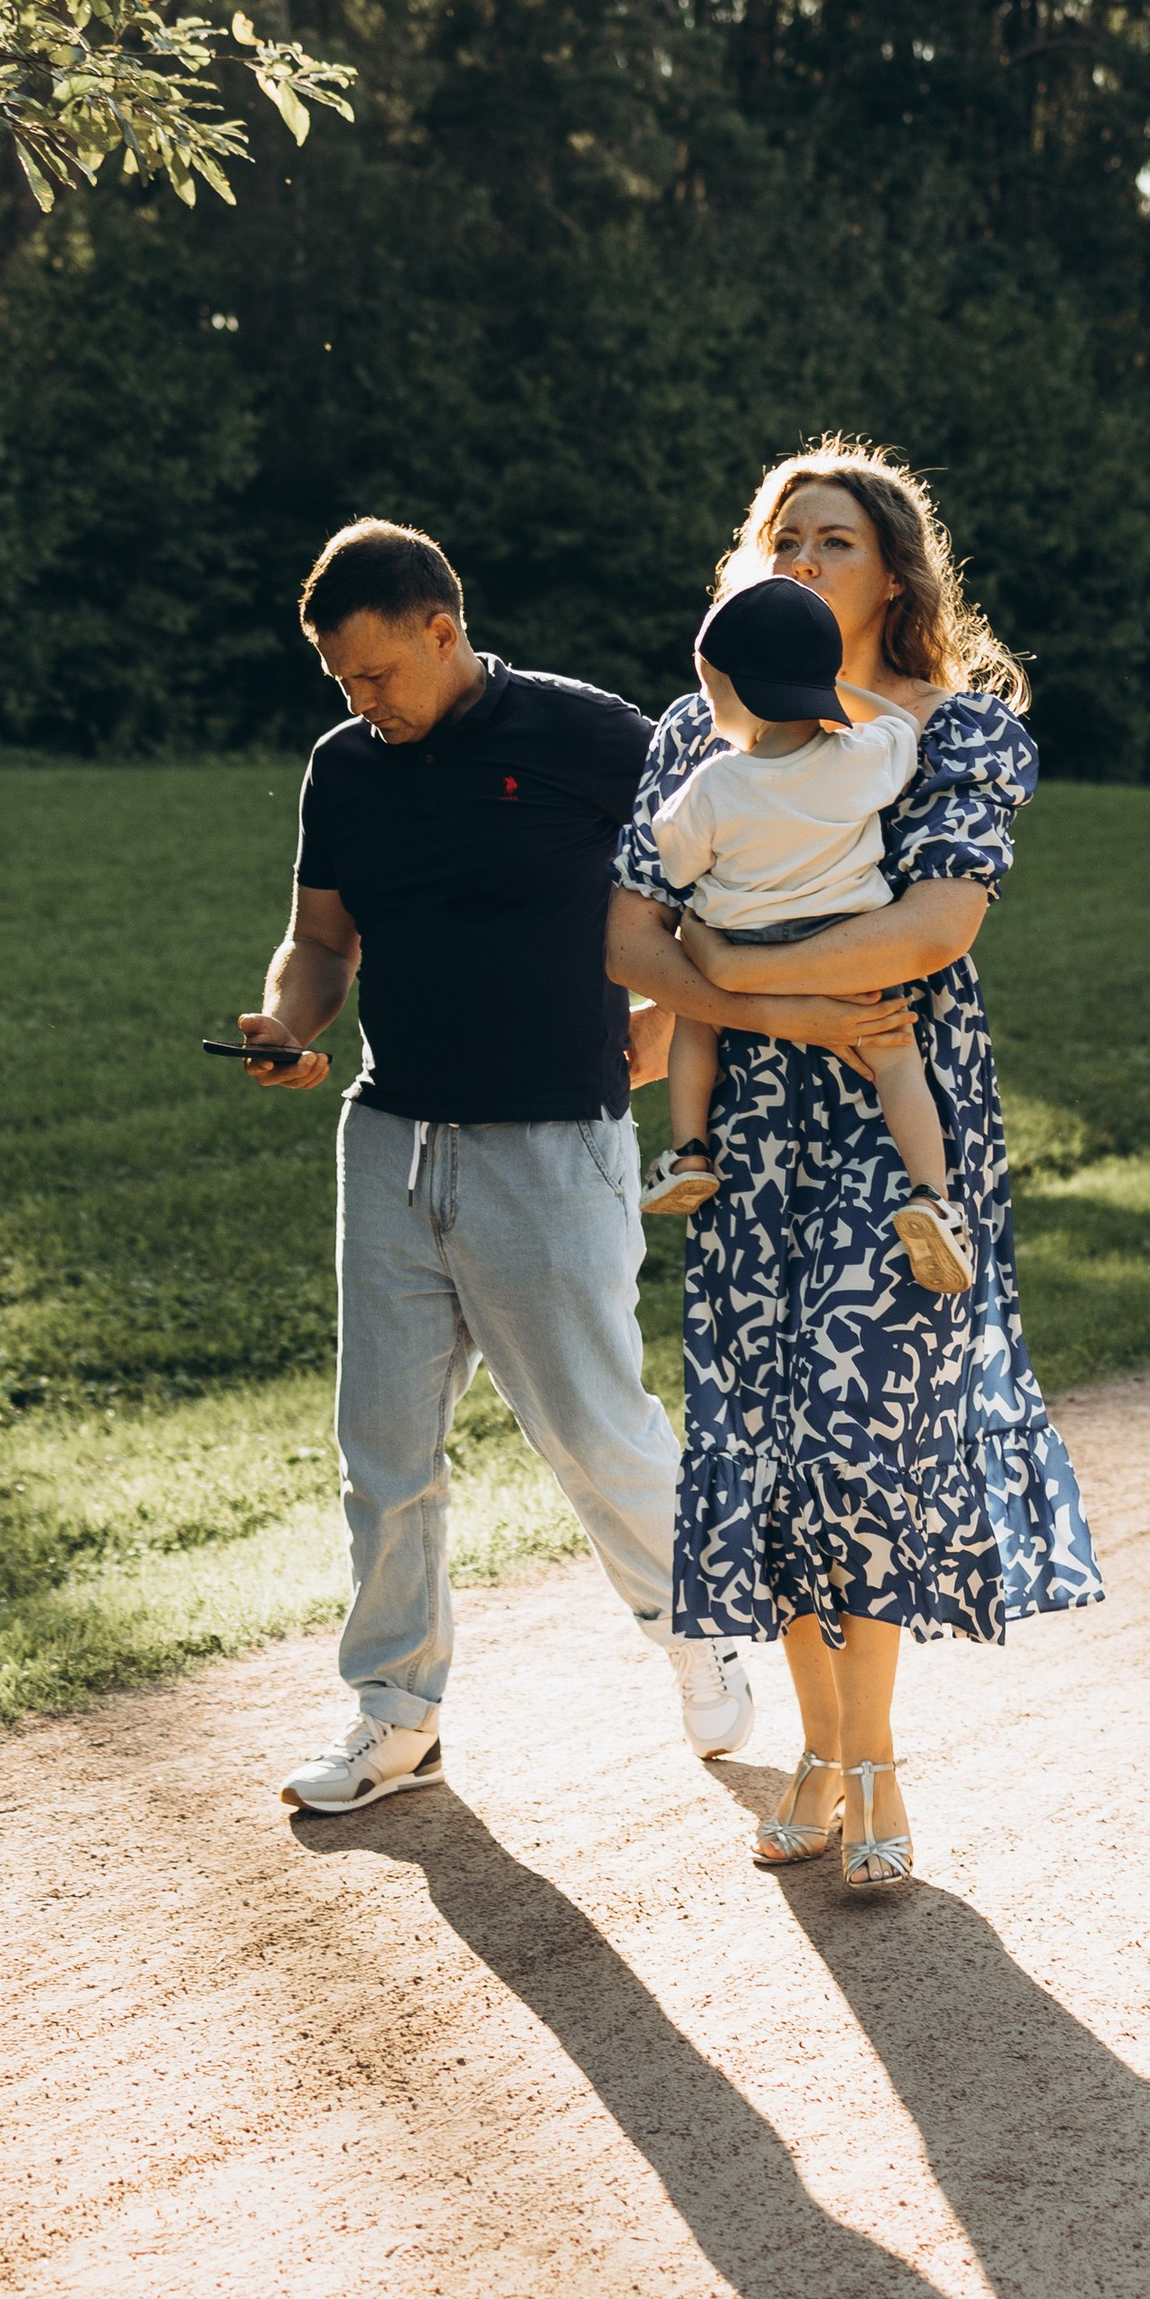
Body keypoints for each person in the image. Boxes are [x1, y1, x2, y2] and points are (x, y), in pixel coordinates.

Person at [608, 444, 1103, 1897]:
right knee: (772, 1441)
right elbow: (629, 935)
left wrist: (737, 975)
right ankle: (822, 1756)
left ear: (894, 574)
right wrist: (780, 1010)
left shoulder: (955, 731)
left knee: (862, 1431)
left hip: (901, 1117)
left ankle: (871, 1761)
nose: (805, 561)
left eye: (833, 540)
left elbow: (936, 926)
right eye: (784, 540)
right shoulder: (697, 731)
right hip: (750, 1122)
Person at [235, 515, 768, 1812]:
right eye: (340, 683)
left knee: (591, 1430)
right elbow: (322, 943)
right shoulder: (343, 768)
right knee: (384, 1451)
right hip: (392, 1140)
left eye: (376, 674)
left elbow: (723, 895)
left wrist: (657, 1040)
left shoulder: (591, 737)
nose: (361, 703)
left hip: (551, 1144)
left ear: (442, 629)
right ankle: (396, 1713)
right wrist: (289, 1023)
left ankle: (703, 1626)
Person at [637, 572, 974, 1295]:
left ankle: (689, 1152)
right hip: (844, 947)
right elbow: (901, 726)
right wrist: (834, 687)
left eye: (711, 688)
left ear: (735, 690)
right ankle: (931, 1197)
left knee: (697, 1020)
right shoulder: (858, 760)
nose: (707, 704)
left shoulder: (713, 785)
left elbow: (677, 861)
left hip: (744, 943)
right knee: (895, 1060)